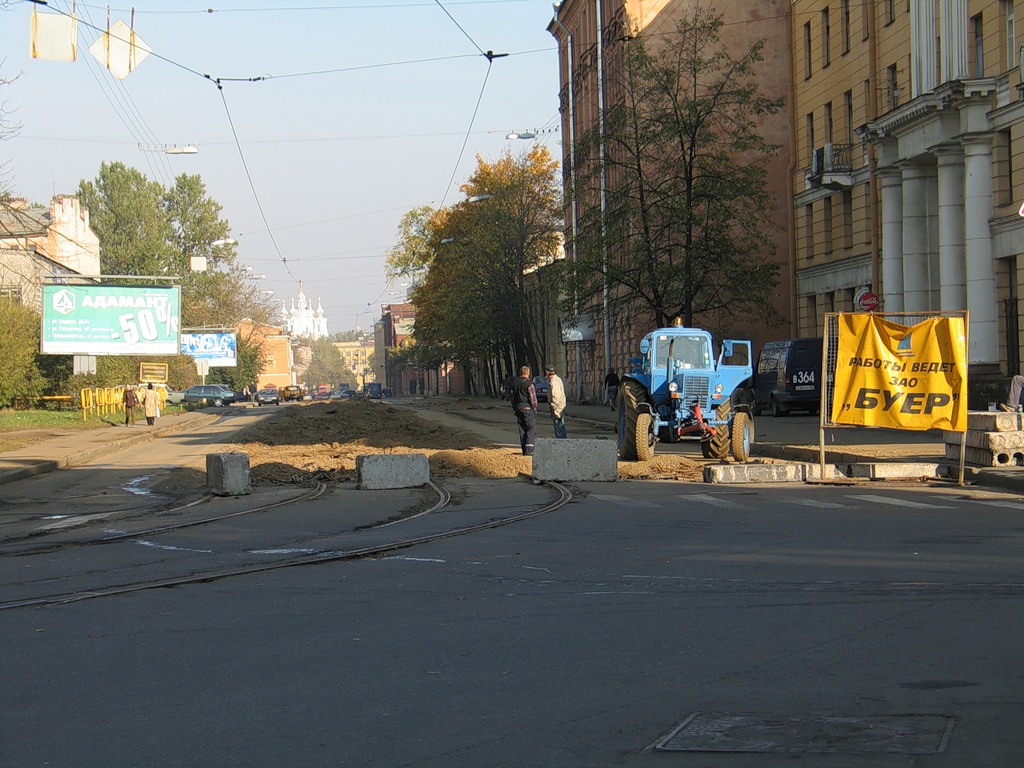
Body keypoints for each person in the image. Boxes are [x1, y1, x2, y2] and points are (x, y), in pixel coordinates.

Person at [509, 365, 538, 456]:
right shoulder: (529, 383)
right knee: (530, 428)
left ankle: (523, 449)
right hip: (527, 408)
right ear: (528, 373)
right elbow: (533, 398)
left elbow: (512, 397)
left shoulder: (515, 383)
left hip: (517, 408)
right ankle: (529, 450)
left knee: (522, 429)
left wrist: (514, 408)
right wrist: (535, 409)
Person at [544, 365, 567, 439]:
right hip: (560, 407)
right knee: (560, 426)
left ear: (547, 373)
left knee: (559, 428)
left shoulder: (554, 381)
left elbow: (556, 395)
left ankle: (561, 444)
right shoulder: (557, 379)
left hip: (557, 408)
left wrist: (553, 406)